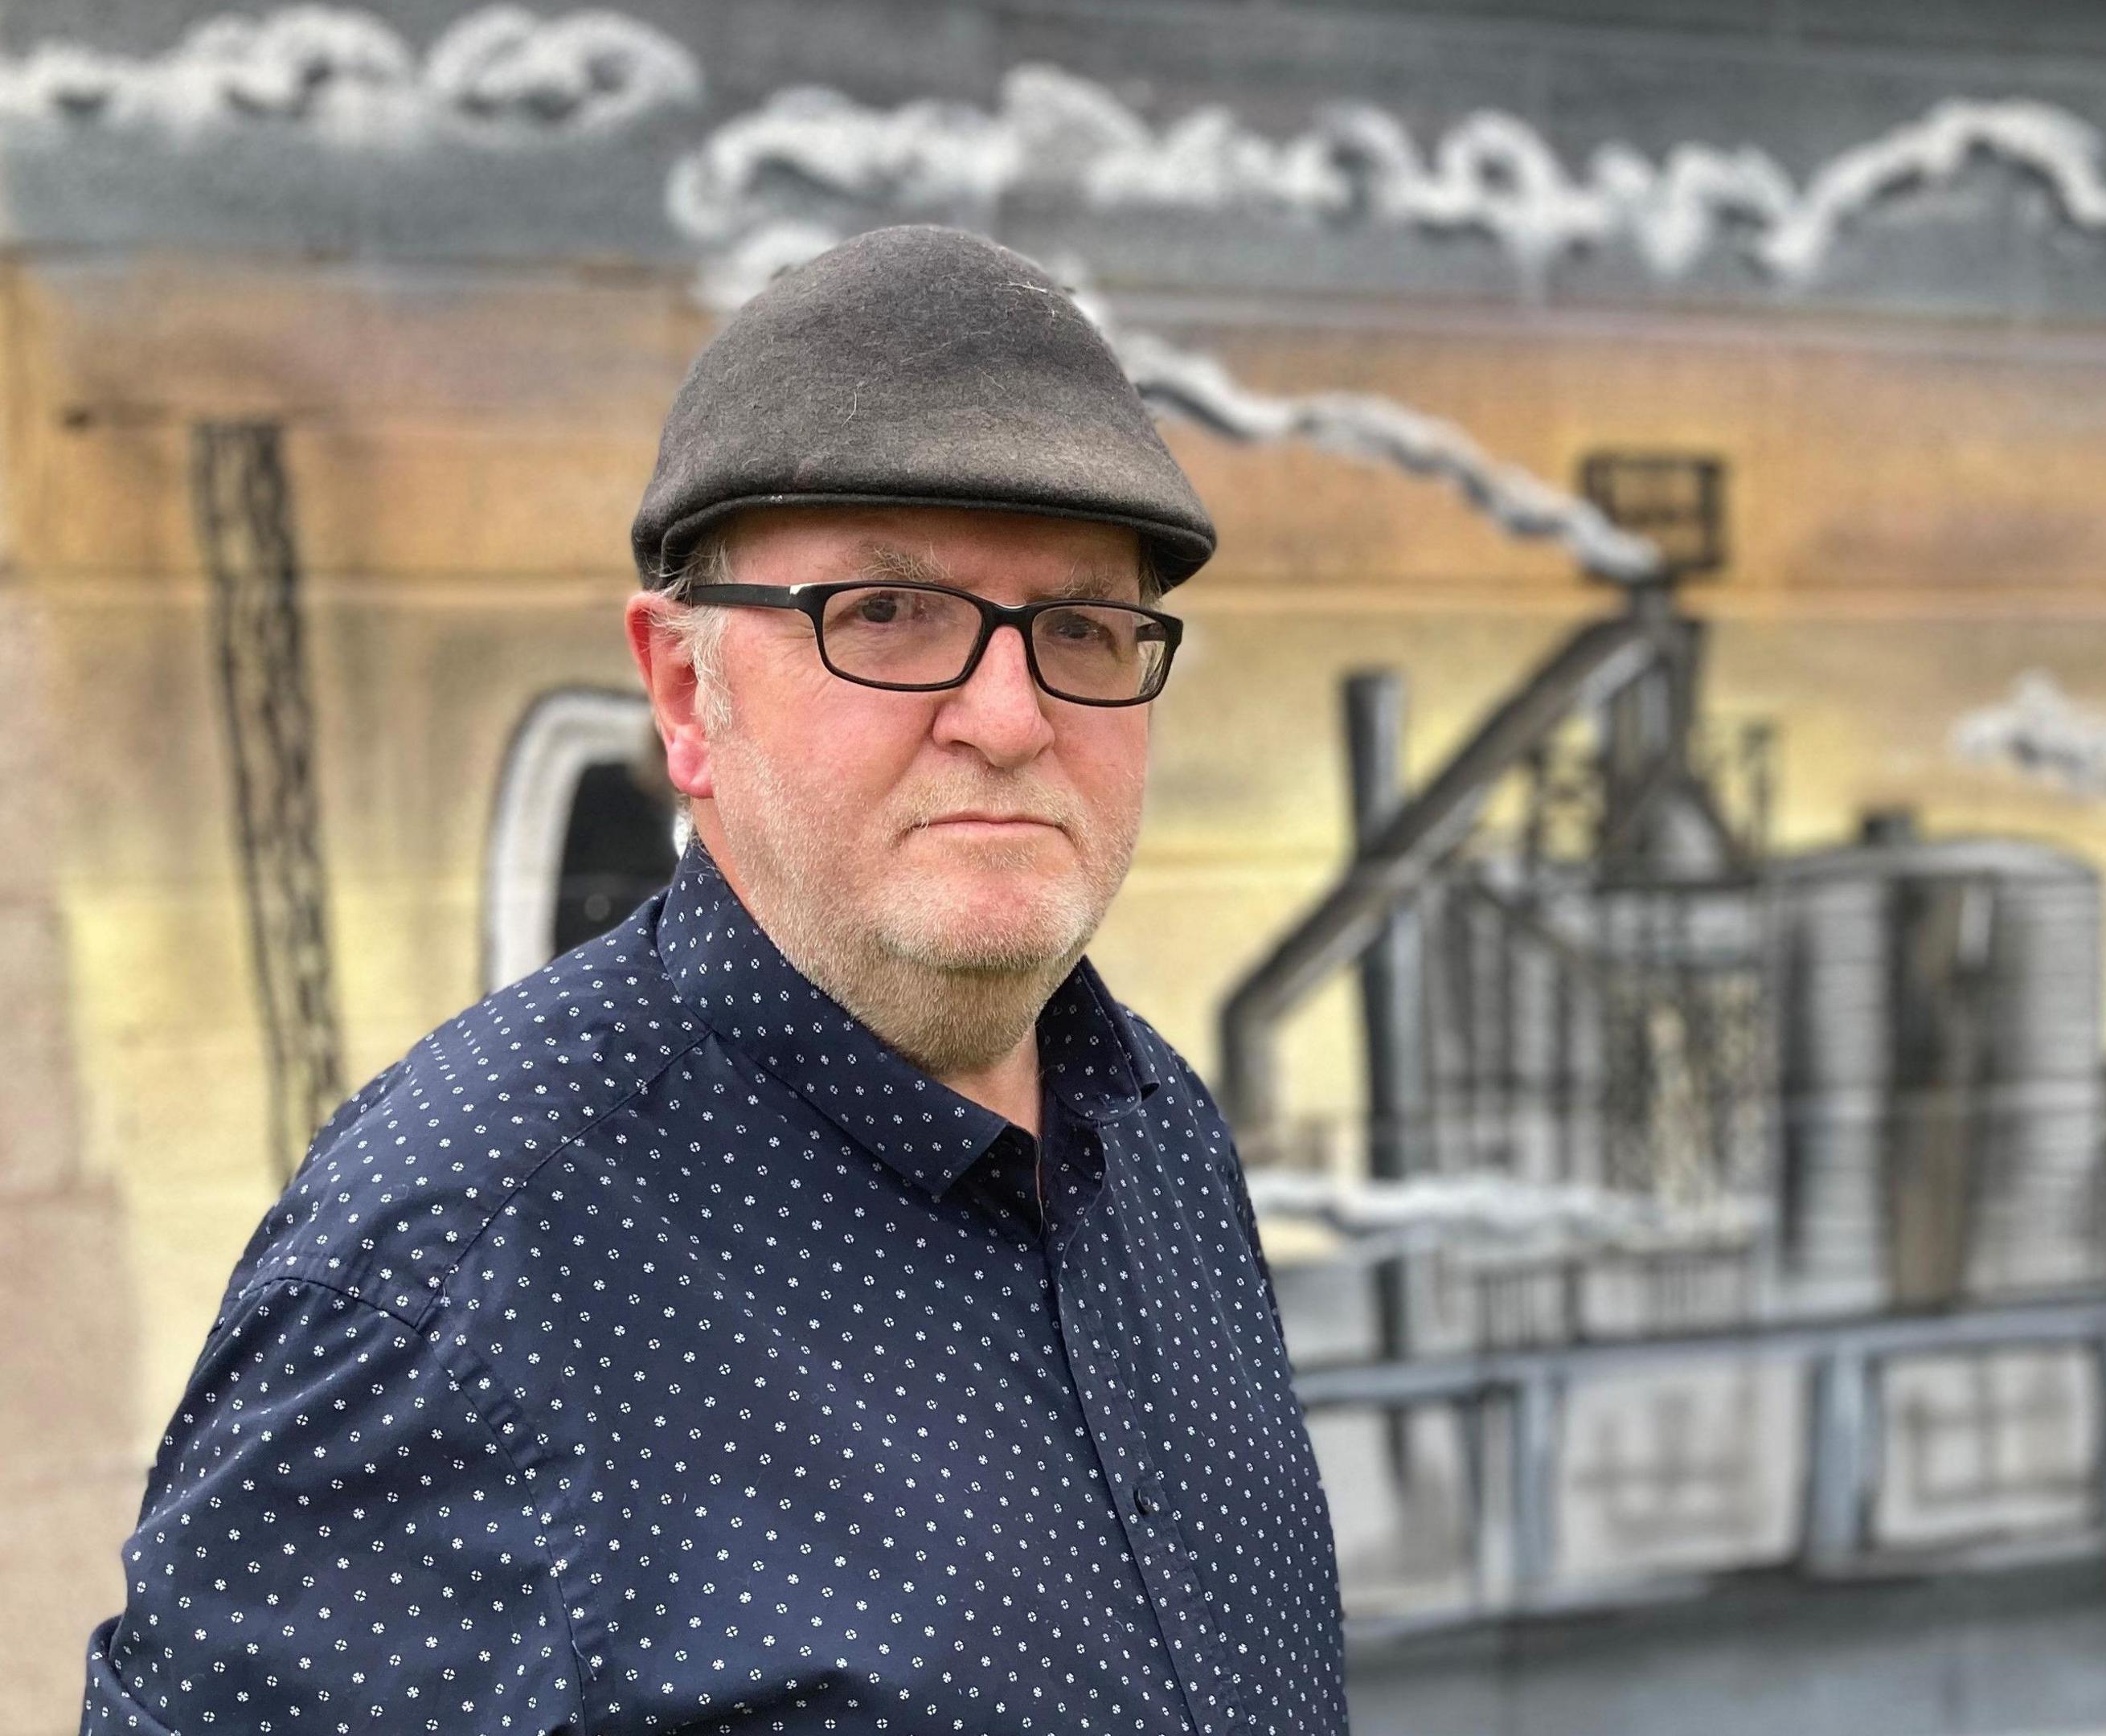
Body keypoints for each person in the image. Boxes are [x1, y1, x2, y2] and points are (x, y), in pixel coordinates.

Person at [80, 225, 1348, 1734]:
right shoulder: (446, 1280)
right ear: (688, 690)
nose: (1008, 715)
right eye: (888, 614)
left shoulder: (1156, 1133)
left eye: (1081, 626)